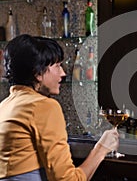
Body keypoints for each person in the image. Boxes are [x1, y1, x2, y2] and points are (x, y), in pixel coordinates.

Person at [0, 34, 119, 180]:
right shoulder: (43, 106)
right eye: (57, 66)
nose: (62, 73)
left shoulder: (4, 106)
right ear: (38, 73)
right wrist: (101, 149)